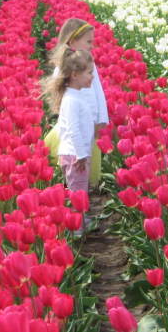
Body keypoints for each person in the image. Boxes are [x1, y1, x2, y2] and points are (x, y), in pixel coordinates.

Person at [44, 19, 108, 190]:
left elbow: (99, 93)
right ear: (72, 41)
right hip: (74, 132)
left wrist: (101, 119)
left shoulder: (89, 66)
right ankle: (79, 205)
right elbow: (67, 113)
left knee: (86, 167)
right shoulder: (64, 70)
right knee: (77, 170)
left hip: (89, 125)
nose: (92, 45)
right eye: (88, 41)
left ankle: (82, 199)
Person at [42, 47, 95, 234]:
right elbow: (73, 129)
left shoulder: (75, 96)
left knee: (79, 189)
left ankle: (80, 220)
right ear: (74, 75)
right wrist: (81, 155)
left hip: (75, 153)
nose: (92, 77)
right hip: (75, 155)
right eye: (89, 72)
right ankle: (76, 228)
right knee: (77, 191)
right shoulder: (72, 100)